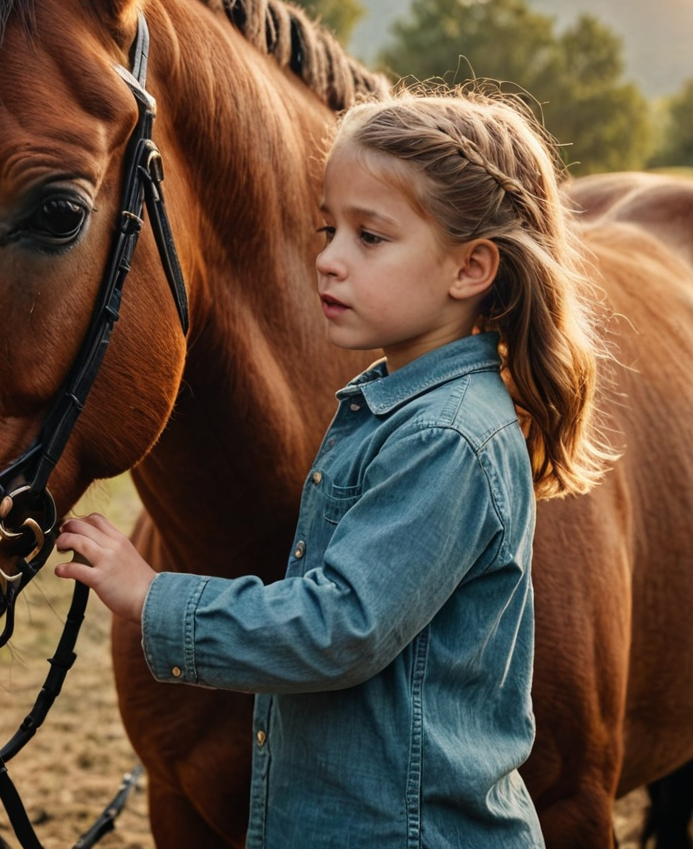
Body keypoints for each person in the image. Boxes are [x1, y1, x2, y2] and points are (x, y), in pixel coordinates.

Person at [55, 86, 612, 848]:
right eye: (327, 229)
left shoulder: (448, 437)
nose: (327, 259)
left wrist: (153, 597)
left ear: (471, 267)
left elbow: (338, 628)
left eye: (369, 237)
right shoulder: (389, 407)